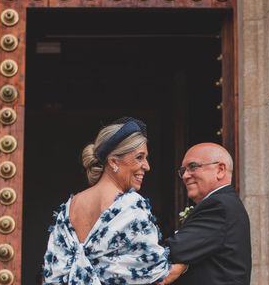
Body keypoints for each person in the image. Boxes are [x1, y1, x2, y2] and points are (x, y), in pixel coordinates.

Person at [42, 117, 182, 284]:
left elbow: (52, 271)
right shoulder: (130, 206)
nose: (146, 166)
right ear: (114, 161)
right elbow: (157, 273)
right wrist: (186, 263)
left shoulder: (69, 207)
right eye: (139, 157)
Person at [163, 143, 251, 284]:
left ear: (220, 170)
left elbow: (174, 251)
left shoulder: (219, 206)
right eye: (183, 170)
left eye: (193, 167)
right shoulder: (224, 203)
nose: (185, 176)